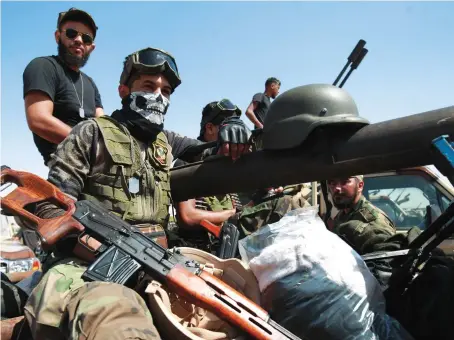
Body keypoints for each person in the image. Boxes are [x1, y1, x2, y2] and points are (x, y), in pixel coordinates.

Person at [22, 46, 252, 340]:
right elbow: (51, 205)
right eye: (148, 86)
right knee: (118, 321)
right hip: (90, 267)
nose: (158, 96)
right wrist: (97, 246)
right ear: (123, 90)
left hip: (157, 261)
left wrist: (233, 132)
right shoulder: (90, 133)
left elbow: (209, 151)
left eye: (166, 91)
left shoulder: (164, 141)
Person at [22, 7, 104, 166]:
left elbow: (103, 123)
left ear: (91, 47)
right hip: (67, 166)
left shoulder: (90, 83)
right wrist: (94, 147)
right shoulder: (43, 66)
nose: (79, 40)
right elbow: (38, 120)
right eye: (72, 33)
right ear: (58, 36)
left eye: (86, 38)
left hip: (97, 164)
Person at [326, 175, 398, 255]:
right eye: (333, 183)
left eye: (345, 182)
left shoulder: (372, 221)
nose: (336, 188)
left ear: (360, 186)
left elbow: (385, 259)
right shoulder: (344, 213)